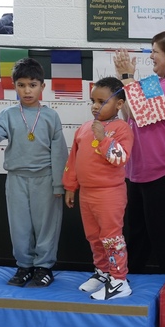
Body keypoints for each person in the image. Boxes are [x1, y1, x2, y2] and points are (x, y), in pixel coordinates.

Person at [0, 58, 67, 287]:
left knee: (46, 226)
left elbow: (59, 154)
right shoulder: (9, 114)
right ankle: (24, 266)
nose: (27, 90)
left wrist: (58, 185)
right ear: (15, 87)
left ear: (43, 87)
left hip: (45, 178)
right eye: (21, 85)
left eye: (32, 85)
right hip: (16, 179)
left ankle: (44, 267)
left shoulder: (51, 116)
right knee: (20, 226)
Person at [113, 31, 165, 274]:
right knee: (138, 235)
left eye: (155, 52)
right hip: (141, 172)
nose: (151, 56)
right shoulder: (154, 83)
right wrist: (125, 80)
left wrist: (128, 77)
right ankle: (129, 284)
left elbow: (142, 112)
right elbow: (130, 115)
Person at [63, 77, 134, 300]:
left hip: (109, 194)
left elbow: (120, 158)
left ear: (119, 104)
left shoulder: (122, 129)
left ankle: (119, 280)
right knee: (94, 237)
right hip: (87, 194)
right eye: (93, 100)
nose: (95, 106)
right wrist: (70, 187)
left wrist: (103, 138)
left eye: (102, 101)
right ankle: (103, 272)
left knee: (111, 237)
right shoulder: (84, 129)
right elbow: (73, 160)